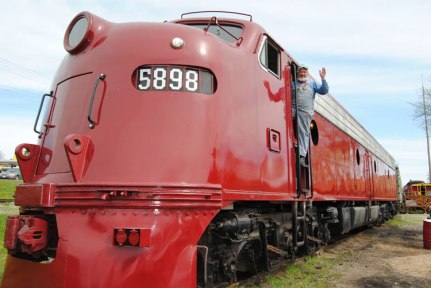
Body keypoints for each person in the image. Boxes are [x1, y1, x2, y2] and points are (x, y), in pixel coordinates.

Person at [293, 66, 329, 166]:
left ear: (307, 74)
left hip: (305, 111)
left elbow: (324, 90)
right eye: (301, 72)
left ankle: (301, 156)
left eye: (304, 72)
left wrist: (323, 78)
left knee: (304, 133)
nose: (302, 74)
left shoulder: (312, 84)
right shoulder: (292, 84)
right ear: (298, 73)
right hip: (293, 109)